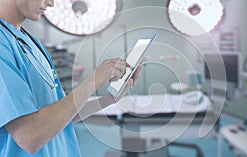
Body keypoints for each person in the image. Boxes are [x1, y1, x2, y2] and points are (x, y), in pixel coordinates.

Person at [0, 0, 141, 156]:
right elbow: (29, 135)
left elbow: (61, 116)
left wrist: (108, 99)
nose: (51, 3)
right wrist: (92, 82)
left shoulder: (33, 44)